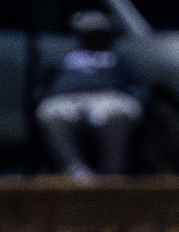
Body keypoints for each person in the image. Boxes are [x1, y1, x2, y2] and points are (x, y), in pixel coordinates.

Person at [36, 11, 143, 180]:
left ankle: (113, 172)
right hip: (66, 97)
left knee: (114, 114)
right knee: (55, 113)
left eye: (99, 33)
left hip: (108, 96)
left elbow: (137, 84)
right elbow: (44, 84)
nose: (95, 37)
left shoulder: (116, 57)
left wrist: (137, 97)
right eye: (89, 33)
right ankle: (76, 171)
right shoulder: (64, 56)